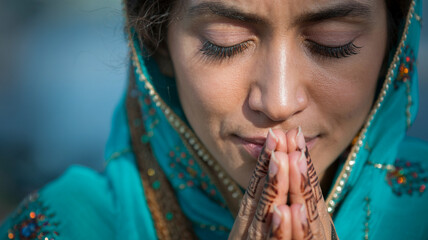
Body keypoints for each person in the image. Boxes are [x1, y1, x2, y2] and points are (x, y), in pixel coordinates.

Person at [1, 0, 427, 239]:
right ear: (159, 45)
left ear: (394, 41)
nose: (278, 103)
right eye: (224, 43)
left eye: (333, 44)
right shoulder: (65, 229)